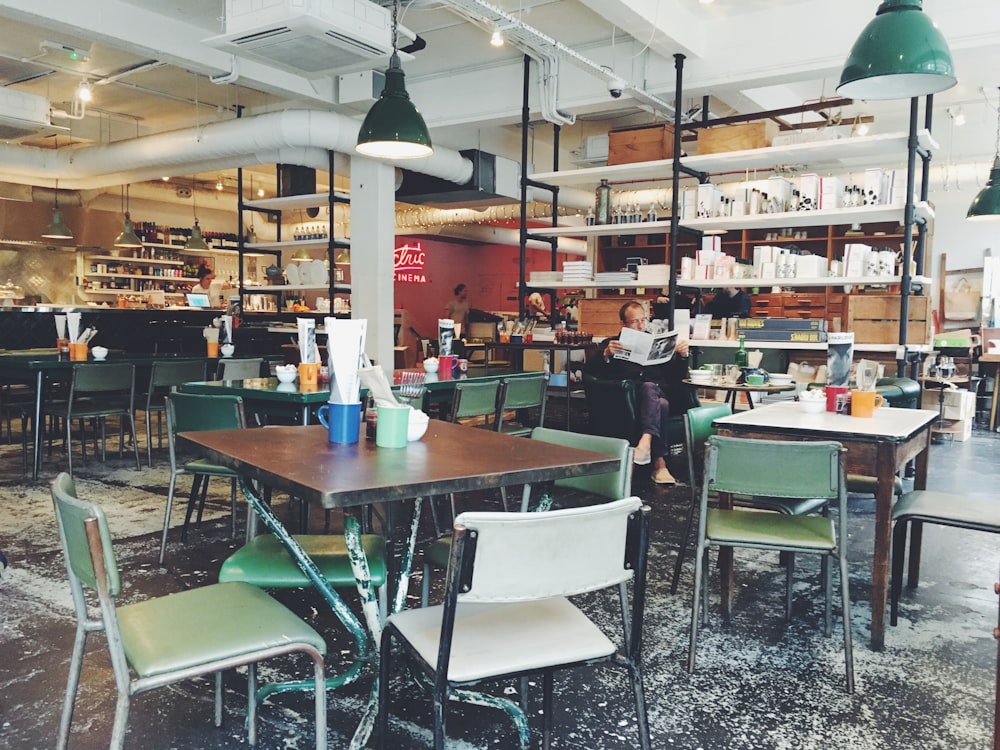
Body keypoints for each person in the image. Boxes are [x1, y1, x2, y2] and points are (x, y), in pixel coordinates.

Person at [585, 300, 691, 485]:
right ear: (623, 324)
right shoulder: (610, 344)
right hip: (627, 398)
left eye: (644, 320)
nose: (641, 325)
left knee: (652, 389)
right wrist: (606, 355)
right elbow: (591, 371)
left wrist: (683, 356)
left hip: (656, 391)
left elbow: (675, 376)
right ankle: (659, 463)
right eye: (635, 322)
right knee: (661, 404)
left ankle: (644, 445)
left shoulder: (656, 343)